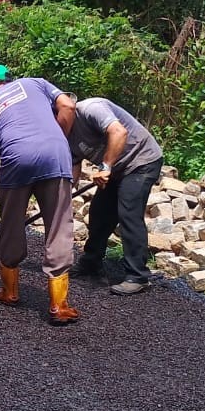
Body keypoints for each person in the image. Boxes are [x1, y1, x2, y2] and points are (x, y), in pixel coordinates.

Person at [0, 65, 81, 325]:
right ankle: (59, 305)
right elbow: (69, 107)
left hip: (17, 163)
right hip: (57, 158)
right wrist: (56, 141)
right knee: (59, 228)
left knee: (11, 225)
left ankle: (10, 291)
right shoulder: (35, 83)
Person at [68, 97, 165, 295]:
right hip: (116, 169)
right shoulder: (65, 131)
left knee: (128, 213)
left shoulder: (91, 109)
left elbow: (119, 132)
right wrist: (64, 193)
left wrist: (105, 167)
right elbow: (74, 163)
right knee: (99, 213)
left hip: (142, 160)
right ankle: (91, 263)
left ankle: (138, 276)